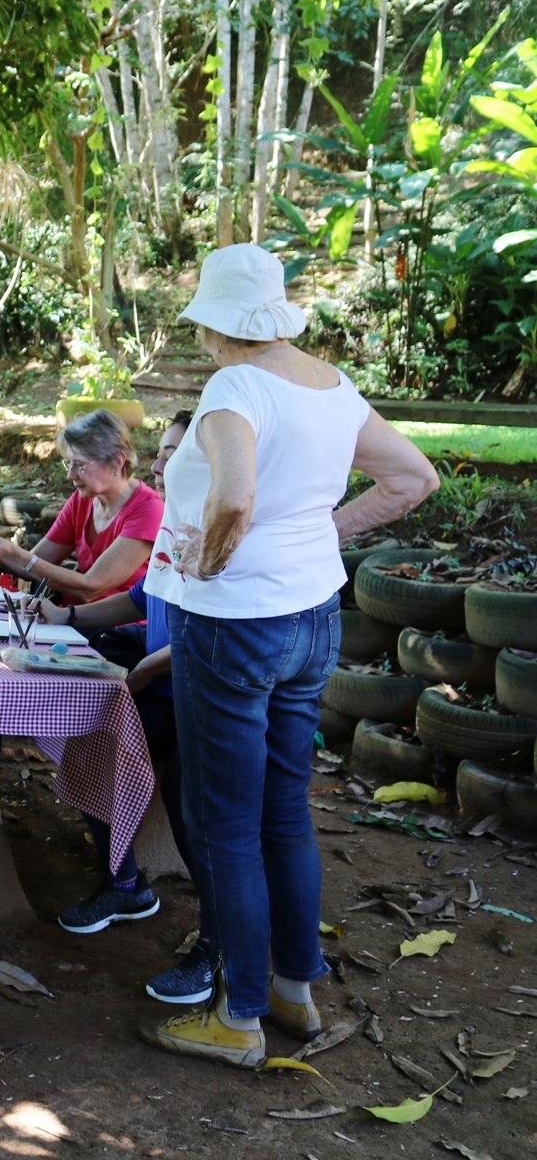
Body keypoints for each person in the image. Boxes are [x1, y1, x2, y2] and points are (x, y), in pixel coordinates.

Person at [141, 244, 438, 1068]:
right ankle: (292, 990)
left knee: (225, 821)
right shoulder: (332, 386)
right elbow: (413, 480)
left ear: (213, 324)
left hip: (236, 623)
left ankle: (237, 1018)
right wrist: (317, 534)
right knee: (282, 808)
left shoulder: (234, 386)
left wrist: (210, 564)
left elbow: (234, 496)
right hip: (313, 617)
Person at [45, 413, 214, 1003]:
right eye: (162, 451)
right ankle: (125, 885)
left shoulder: (224, 534)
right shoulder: (175, 524)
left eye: (176, 454)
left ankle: (219, 950)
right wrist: (67, 616)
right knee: (96, 737)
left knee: (195, 808)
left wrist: (145, 670)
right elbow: (137, 601)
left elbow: (208, 634)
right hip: (164, 687)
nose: (159, 464)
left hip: (207, 700)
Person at [0, 409, 163, 603]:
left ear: (117, 462)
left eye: (80, 465)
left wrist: (10, 550)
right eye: (69, 464)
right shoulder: (83, 499)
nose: (70, 475)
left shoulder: (148, 510)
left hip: (117, 625)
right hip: (68, 617)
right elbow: (33, 565)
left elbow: (91, 587)